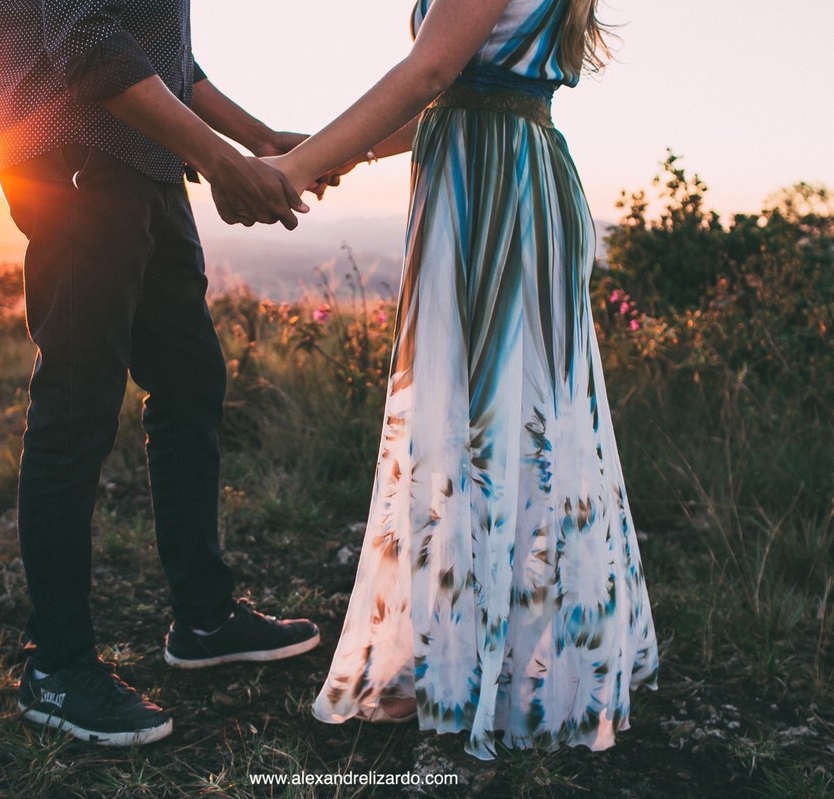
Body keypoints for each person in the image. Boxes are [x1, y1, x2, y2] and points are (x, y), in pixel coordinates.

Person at [266, 0, 659, 759]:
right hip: (493, 169)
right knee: (497, 414)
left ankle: (504, 670)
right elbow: (455, 92)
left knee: (494, 415)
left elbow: (432, 70)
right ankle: (492, 656)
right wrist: (330, 151)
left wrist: (296, 167)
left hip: (496, 189)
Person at [0, 0, 321, 746]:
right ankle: (56, 664)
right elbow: (87, 39)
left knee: (191, 380)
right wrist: (224, 162)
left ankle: (202, 617)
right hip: (77, 156)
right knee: (77, 399)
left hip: (147, 160)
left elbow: (165, 57)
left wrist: (254, 138)